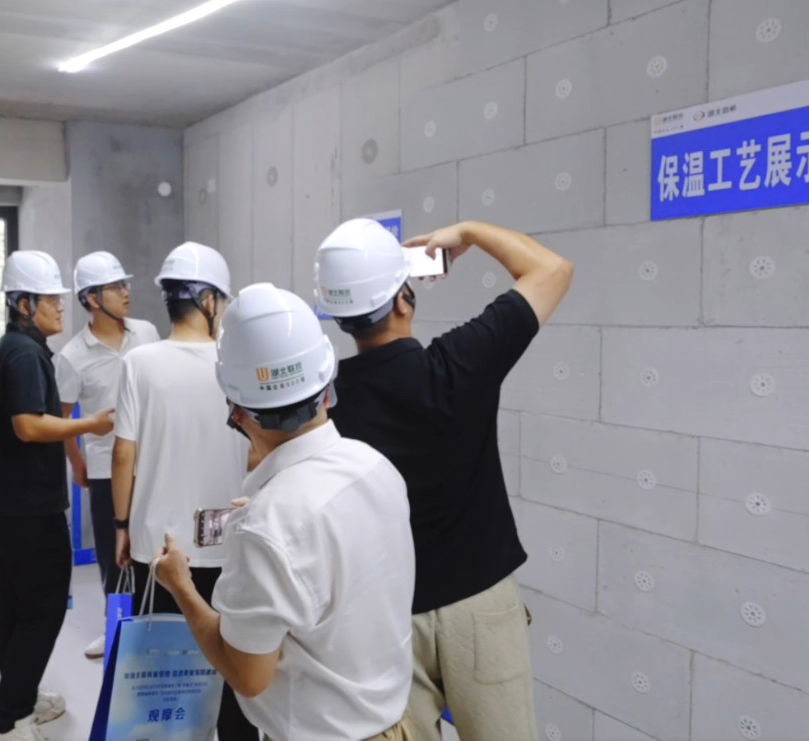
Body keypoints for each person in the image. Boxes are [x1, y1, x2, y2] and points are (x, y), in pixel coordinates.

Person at [315, 218, 574, 741]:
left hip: (385, 616)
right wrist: (470, 231)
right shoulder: (460, 363)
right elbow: (552, 270)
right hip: (481, 604)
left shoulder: (327, 406)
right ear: (403, 298)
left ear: (341, 317)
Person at [152, 283, 416, 741]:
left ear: (236, 410)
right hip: (396, 725)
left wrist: (180, 586)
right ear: (327, 388)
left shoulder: (266, 528)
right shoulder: (378, 467)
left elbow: (248, 675)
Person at [111, 241, 256, 741]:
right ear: (211, 300)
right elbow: (256, 452)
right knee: (235, 668)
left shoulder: (138, 362)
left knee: (162, 671)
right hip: (230, 546)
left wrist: (122, 526)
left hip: (160, 549)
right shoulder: (236, 363)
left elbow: (123, 455)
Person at [0, 250, 117, 741]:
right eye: (50, 300)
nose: (60, 307)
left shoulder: (12, 348)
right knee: (43, 607)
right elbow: (29, 426)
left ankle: (20, 696)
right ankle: (11, 718)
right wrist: (90, 424)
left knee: (13, 604)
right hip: (26, 506)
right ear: (23, 304)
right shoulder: (25, 355)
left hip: (5, 503)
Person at [53, 251, 161, 660]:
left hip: (154, 462)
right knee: (113, 557)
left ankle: (158, 628)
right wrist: (77, 464)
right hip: (104, 471)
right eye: (116, 287)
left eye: (124, 284)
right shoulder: (72, 356)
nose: (126, 292)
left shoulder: (147, 333)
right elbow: (62, 417)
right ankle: (115, 630)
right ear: (92, 298)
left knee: (156, 548)